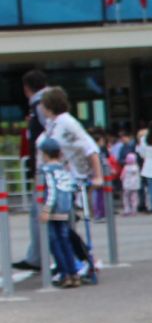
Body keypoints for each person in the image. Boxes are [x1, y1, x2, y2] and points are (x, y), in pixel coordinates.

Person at [34, 87, 105, 283]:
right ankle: (72, 263)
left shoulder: (67, 123)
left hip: (65, 181)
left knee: (61, 227)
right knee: (62, 227)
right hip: (54, 179)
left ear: (49, 105)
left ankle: (83, 261)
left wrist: (97, 176)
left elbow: (90, 147)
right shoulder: (53, 124)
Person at [35, 136, 87, 287]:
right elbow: (72, 187)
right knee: (65, 240)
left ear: (45, 154)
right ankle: (73, 273)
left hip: (53, 210)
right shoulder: (63, 169)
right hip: (65, 209)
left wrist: (45, 210)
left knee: (54, 241)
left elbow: (51, 191)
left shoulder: (46, 170)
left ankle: (65, 273)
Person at [12, 69, 49, 272]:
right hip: (45, 168)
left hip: (45, 169)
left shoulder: (41, 105)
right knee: (42, 212)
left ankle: (39, 258)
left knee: (42, 213)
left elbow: (52, 133)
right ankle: (37, 256)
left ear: (27, 88)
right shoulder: (42, 104)